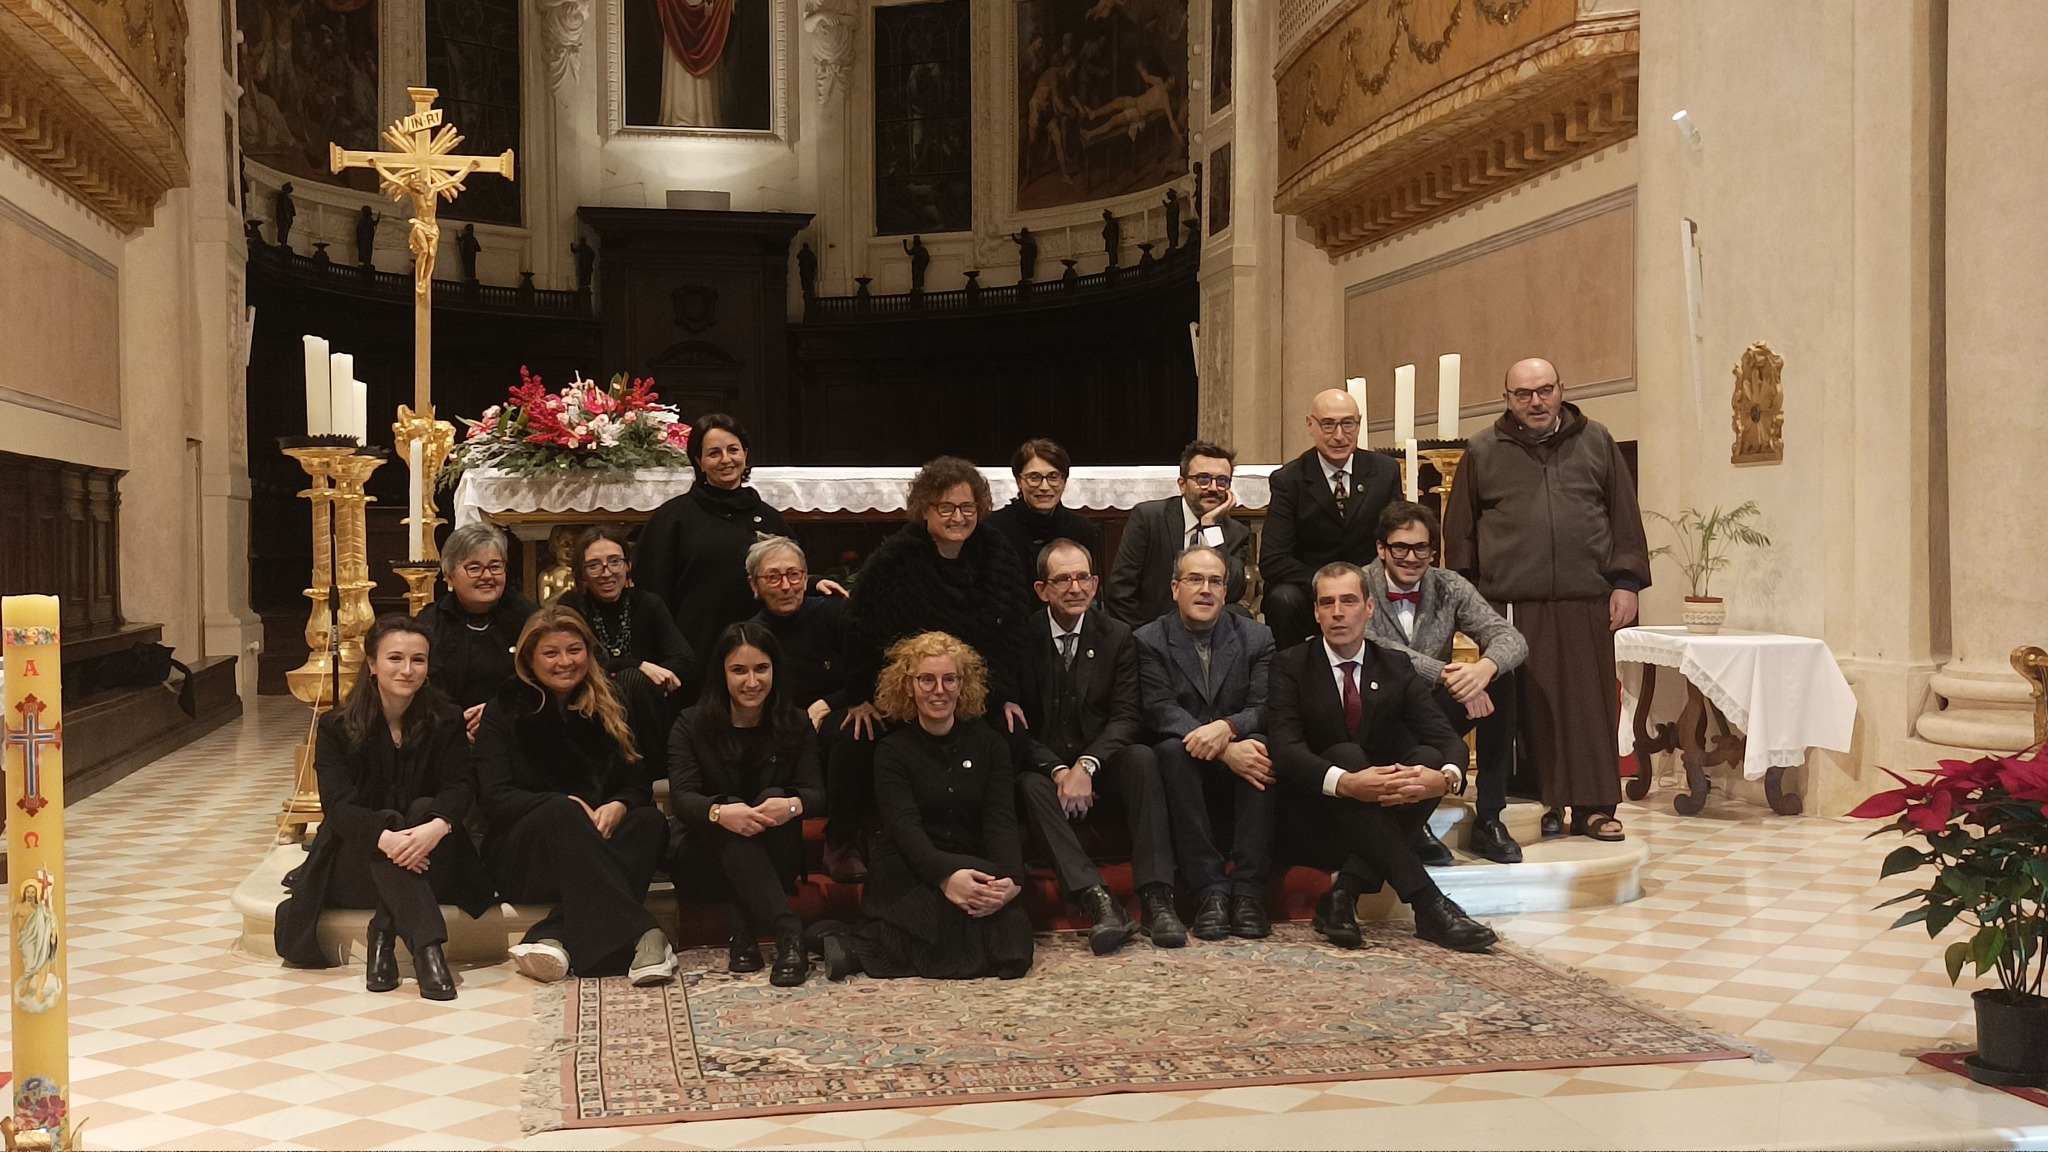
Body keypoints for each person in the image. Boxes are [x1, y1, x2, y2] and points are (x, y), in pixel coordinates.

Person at [1442, 359, 1650, 843]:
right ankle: (1542, 805)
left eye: (1544, 390)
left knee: (1589, 705)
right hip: (1512, 601)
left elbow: (1624, 516)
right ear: (1507, 397)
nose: (1535, 401)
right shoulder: (1483, 449)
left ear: (1562, 389)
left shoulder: (1596, 439)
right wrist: (1467, 598)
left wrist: (1626, 582)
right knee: (1528, 710)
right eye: (1523, 394)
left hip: (1586, 595)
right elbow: (1461, 531)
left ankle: (1595, 806)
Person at [1266, 562, 1498, 953]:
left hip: (1379, 819)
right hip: (1315, 817)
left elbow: (1445, 739)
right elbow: (1286, 752)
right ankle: (1429, 903)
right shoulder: (1289, 665)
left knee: (1425, 757)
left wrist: (1445, 777)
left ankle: (1343, 895)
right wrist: (1348, 783)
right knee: (1346, 754)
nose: (1338, 612)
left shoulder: (1395, 665)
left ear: (1369, 608)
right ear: (1316, 612)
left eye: (1349, 601)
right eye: (1328, 602)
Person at [274, 615, 493, 999]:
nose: (407, 670)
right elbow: (338, 807)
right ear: (372, 664)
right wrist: (385, 838)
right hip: (355, 867)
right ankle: (428, 950)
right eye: (395, 658)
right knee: (386, 819)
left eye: (418, 660)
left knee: (425, 807)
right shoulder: (336, 727)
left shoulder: (445, 720)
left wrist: (436, 826)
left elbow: (461, 786)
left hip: (432, 856)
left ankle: (383, 934)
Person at [833, 458, 1030, 880]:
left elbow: (1012, 631)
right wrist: (860, 698)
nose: (958, 517)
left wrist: (1005, 693)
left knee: (1011, 732)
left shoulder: (997, 554)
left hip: (971, 691)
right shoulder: (895, 558)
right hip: (902, 692)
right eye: (946, 507)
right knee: (854, 735)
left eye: (967, 508)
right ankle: (846, 839)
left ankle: (998, 839)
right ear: (925, 509)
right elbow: (858, 627)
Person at [809, 632, 1034, 981]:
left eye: (949, 679)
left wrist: (1011, 880)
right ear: (908, 686)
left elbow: (1000, 819)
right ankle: (847, 941)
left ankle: (858, 949)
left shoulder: (991, 745)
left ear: (964, 685)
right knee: (947, 931)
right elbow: (904, 828)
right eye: (926, 680)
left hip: (968, 856)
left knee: (1014, 949)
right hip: (906, 864)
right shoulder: (891, 751)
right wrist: (946, 877)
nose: (939, 690)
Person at [473, 606, 675, 985]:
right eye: (551, 653)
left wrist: (621, 804)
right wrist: (564, 806)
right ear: (530, 659)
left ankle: (554, 935)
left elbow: (638, 781)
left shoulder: (611, 700)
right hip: (528, 853)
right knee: (560, 813)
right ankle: (644, 933)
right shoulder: (505, 707)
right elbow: (494, 798)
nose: (565, 662)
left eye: (574, 650)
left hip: (598, 843)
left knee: (648, 822)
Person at [1012, 539, 1186, 952]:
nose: (1076, 588)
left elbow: (1128, 716)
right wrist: (1058, 769)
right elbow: (1015, 726)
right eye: (1063, 579)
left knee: (1143, 758)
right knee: (1026, 783)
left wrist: (1086, 766)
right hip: (1045, 775)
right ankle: (1098, 899)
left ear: (1095, 584)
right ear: (1042, 589)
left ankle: (1158, 897)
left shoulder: (1117, 635)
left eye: (1084, 578)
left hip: (1101, 769)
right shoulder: (1020, 638)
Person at [1364, 501, 1530, 864]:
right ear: (1381, 549)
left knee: (1502, 679)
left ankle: (1489, 818)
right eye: (1400, 547)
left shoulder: (1449, 585)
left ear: (1433, 551)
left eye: (1421, 548)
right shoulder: (1359, 584)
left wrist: (1482, 671)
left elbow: (1510, 637)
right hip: (1377, 712)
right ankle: (1414, 818)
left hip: (1429, 711)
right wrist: (1444, 673)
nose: (1411, 557)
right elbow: (1374, 646)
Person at [668, 622, 825, 987]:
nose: (751, 682)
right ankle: (789, 933)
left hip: (775, 850)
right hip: (705, 859)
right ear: (721, 674)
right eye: (738, 670)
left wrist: (789, 807)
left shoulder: (795, 722)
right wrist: (721, 814)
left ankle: (743, 930)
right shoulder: (690, 725)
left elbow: (817, 794)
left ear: (775, 671)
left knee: (775, 800)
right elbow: (683, 799)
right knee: (732, 808)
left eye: (761, 669)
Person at [1134, 546, 1276, 940]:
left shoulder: (1256, 637)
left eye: (1215, 581)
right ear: (1175, 587)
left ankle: (1248, 891)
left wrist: (1229, 729)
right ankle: (1209, 889)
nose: (1205, 590)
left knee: (1262, 746)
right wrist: (1223, 743)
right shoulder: (1149, 640)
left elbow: (1265, 706)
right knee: (1169, 750)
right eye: (1195, 580)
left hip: (1239, 747)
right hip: (1188, 756)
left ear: (1227, 590)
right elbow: (1159, 708)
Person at [635, 414, 801, 661]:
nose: (726, 460)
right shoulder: (672, 519)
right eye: (714, 453)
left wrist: (817, 583)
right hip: (694, 652)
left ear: (745, 454)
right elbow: (651, 595)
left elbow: (792, 574)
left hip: (760, 653)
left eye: (733, 450)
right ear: (699, 462)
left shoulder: (769, 518)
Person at [1260, 389, 1403, 649]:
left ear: (1359, 424)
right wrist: (1328, 583)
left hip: (1369, 585)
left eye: (1348, 424)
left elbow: (1396, 539)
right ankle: (1294, 677)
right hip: (1309, 590)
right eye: (1328, 425)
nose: (1339, 436)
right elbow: (1273, 561)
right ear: (1310, 425)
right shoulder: (1289, 480)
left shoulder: (1384, 471)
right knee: (1282, 598)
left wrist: (1361, 583)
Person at [556, 525, 698, 772]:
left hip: (648, 707)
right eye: (594, 565)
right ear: (581, 574)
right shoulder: (570, 606)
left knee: (637, 683)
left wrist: (656, 675)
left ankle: (647, 770)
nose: (606, 572)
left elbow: (684, 661)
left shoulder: (648, 603)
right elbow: (577, 662)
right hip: (588, 700)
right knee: (630, 678)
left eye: (615, 562)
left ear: (628, 566)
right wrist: (638, 665)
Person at [1106, 440, 1250, 628]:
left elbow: (1232, 593)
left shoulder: (1236, 532)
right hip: (1151, 631)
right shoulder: (1149, 519)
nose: (1214, 488)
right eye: (1203, 479)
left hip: (1210, 637)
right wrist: (1145, 639)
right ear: (1182, 485)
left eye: (1222, 481)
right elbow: (1120, 592)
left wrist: (1211, 528)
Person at [418, 521, 539, 737]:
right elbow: (425, 688)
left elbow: (542, 679)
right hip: (446, 734)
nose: (487, 576)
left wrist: (497, 713)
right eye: (474, 568)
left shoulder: (528, 617)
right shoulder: (430, 623)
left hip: (519, 728)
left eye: (495, 566)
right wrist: (456, 723)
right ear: (449, 576)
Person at [983, 438, 1104, 603]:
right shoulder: (994, 529)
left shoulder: (1082, 529)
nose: (1045, 487)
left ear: (1064, 481)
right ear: (1019, 482)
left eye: (1053, 477)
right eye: (1034, 477)